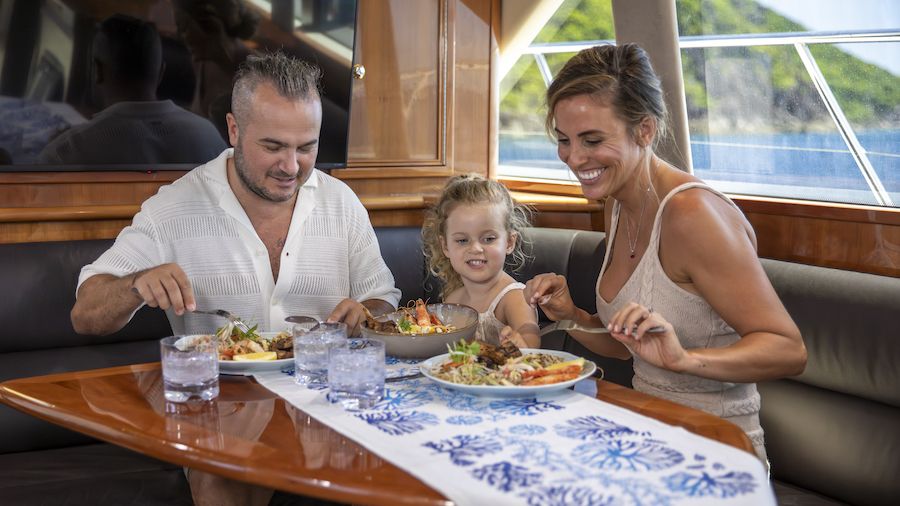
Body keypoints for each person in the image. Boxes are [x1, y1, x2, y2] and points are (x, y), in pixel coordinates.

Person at [522, 43, 806, 462]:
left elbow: (788, 349)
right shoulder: (617, 204)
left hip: (716, 449)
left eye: (592, 139)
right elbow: (628, 346)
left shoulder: (693, 216)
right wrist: (571, 316)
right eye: (564, 140)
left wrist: (684, 359)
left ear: (645, 130)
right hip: (646, 438)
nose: (574, 158)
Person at [38, 14, 226, 165]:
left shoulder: (64, 154)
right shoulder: (209, 137)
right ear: (161, 72)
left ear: (98, 71)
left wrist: (68, 141)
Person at [422, 174, 539, 348]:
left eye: (489, 239)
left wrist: (522, 343)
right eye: (462, 240)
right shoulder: (453, 298)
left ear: (509, 242)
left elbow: (530, 339)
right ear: (445, 246)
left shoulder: (514, 297)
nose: (476, 248)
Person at [173, 0, 259, 140]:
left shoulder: (258, 74)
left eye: (184, 27)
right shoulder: (203, 63)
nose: (181, 36)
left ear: (212, 25)